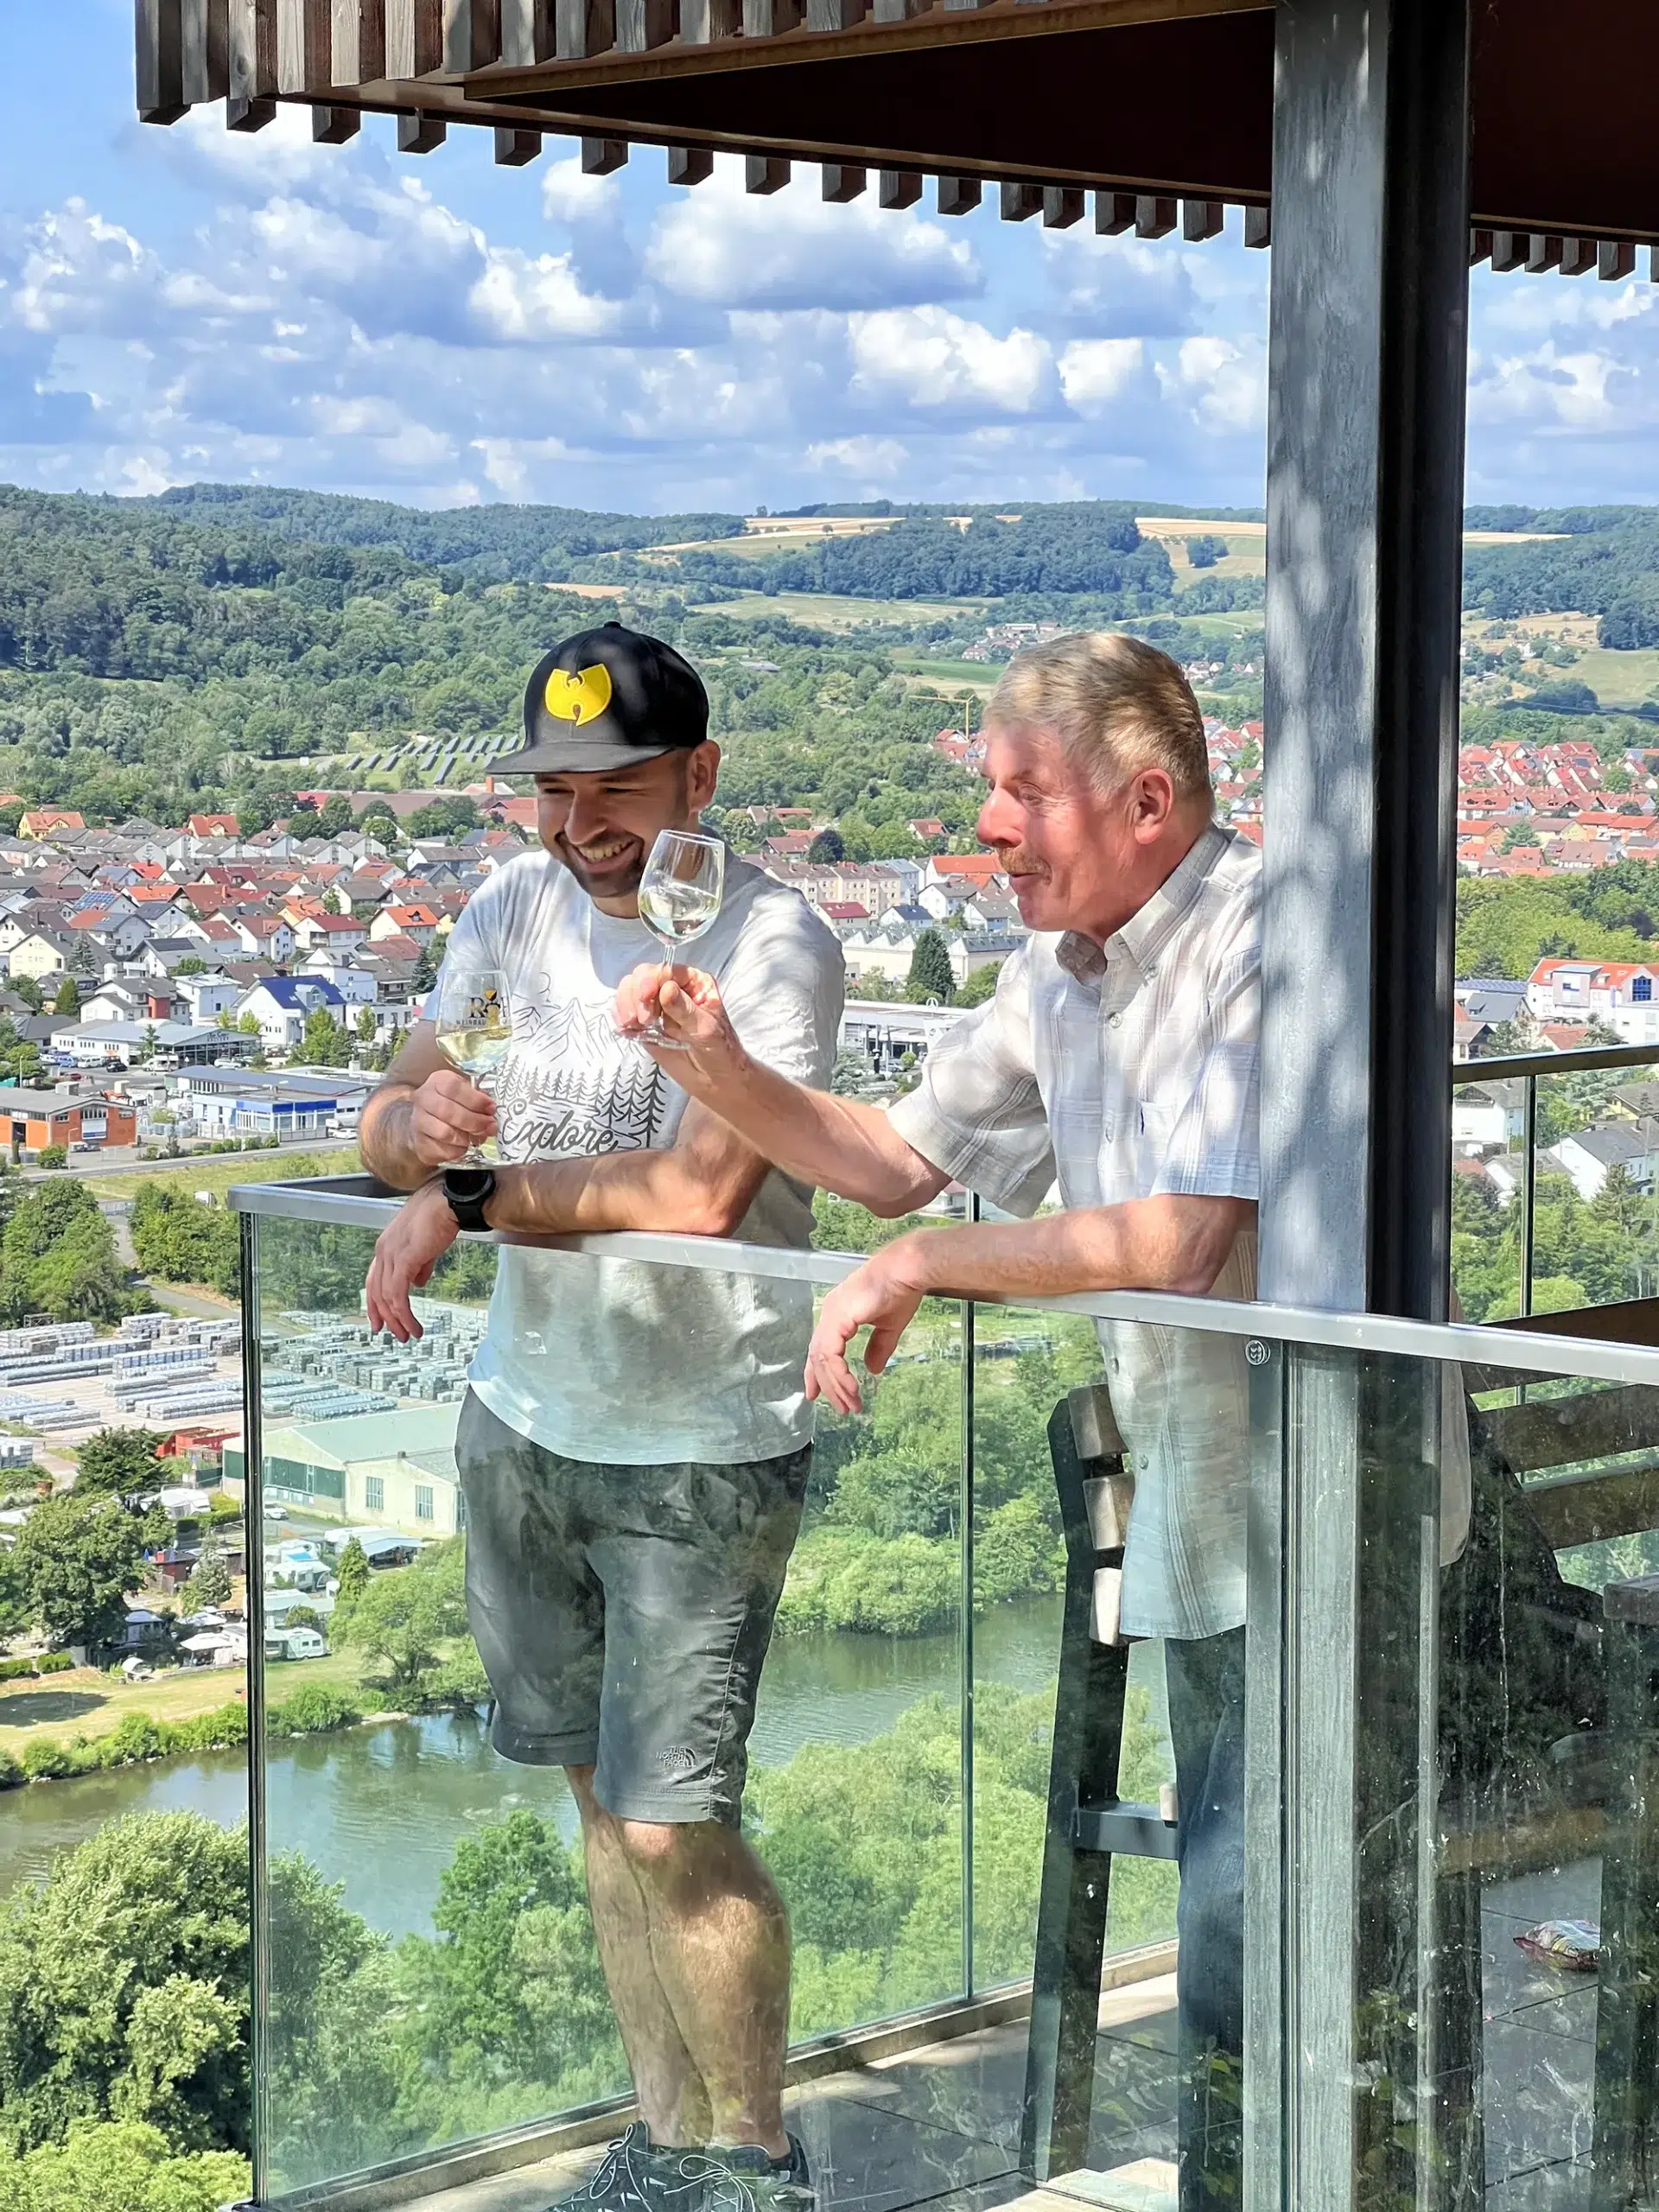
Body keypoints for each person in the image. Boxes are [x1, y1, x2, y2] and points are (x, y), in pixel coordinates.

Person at [616, 631, 1260, 2209]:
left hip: (1332, 1487)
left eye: (1021, 792)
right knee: (1248, 1905)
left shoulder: (1260, 942)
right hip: (1212, 1502)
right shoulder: (1063, 970)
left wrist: (919, 1266)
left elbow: (1185, 1237)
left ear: (1151, 802)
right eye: (989, 788)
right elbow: (895, 1162)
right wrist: (717, 1066)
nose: (984, 828)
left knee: (1269, 1911)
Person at [359, 621, 842, 2212]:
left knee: (668, 1829)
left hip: (703, 1439)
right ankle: (664, 2140)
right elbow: (386, 1116)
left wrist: (469, 1192)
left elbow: (706, 1193)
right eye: (554, 790)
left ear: (701, 774)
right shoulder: (508, 907)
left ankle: (755, 2160)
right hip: (529, 1416)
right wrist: (412, 1131)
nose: (580, 824)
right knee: (594, 1801)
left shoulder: (777, 942)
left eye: (616, 784)